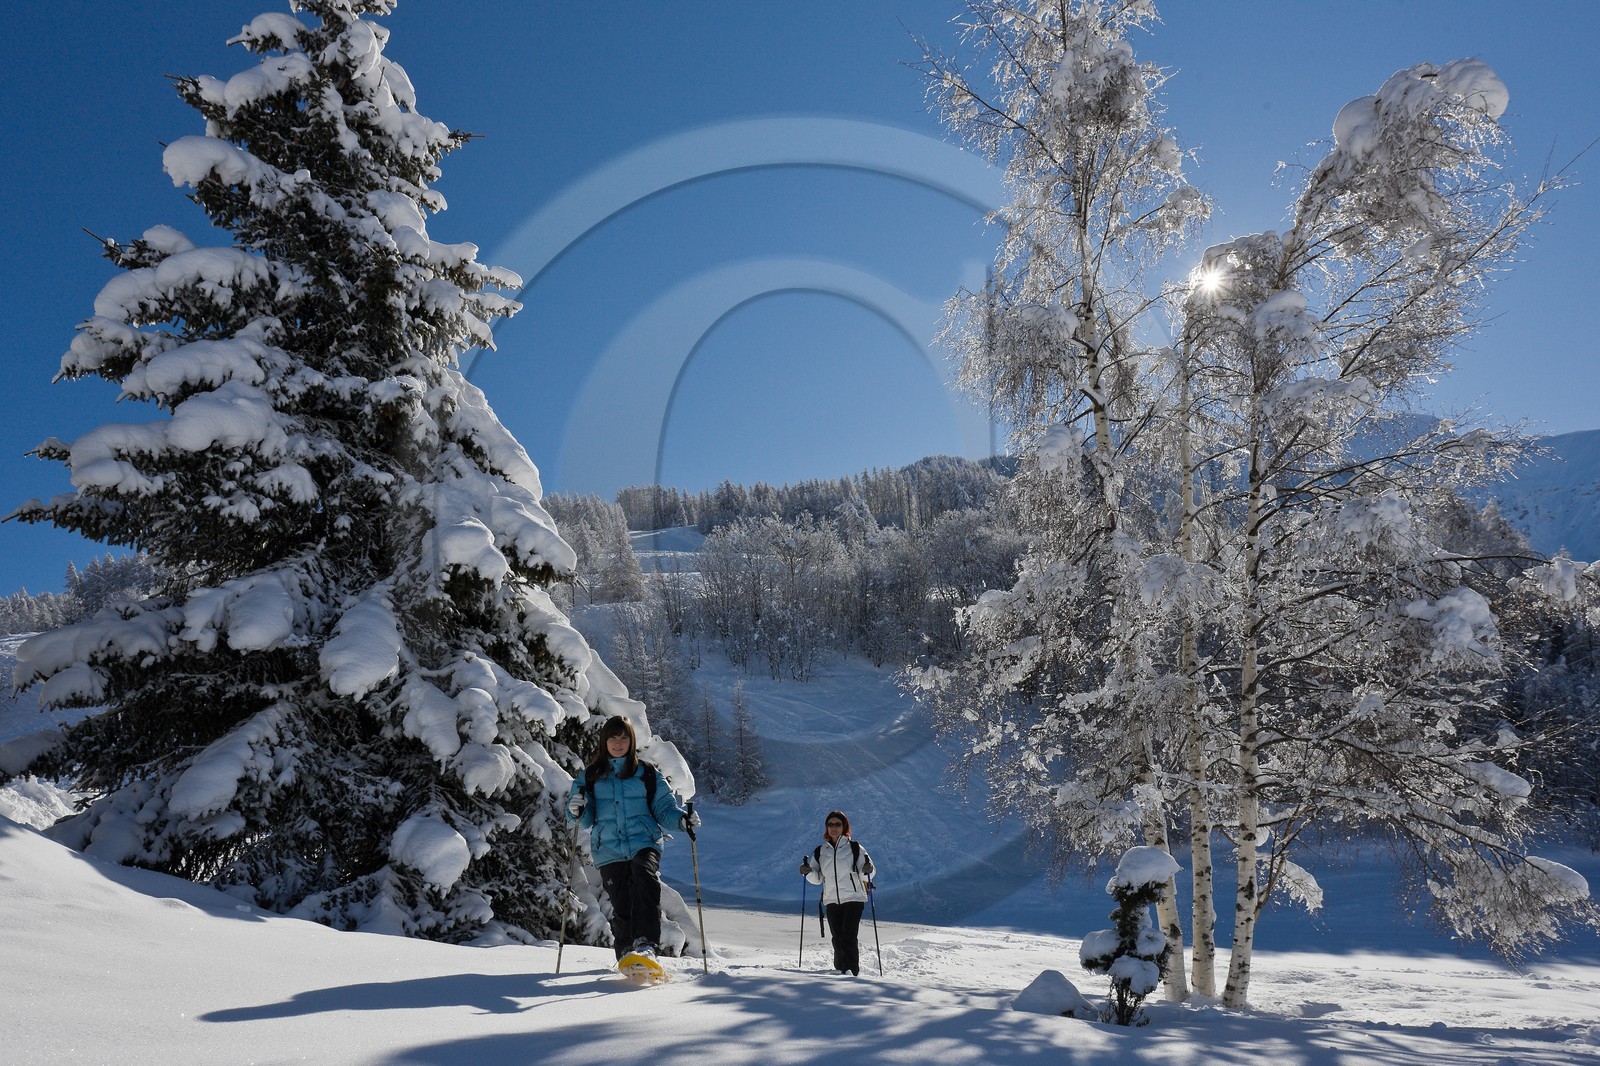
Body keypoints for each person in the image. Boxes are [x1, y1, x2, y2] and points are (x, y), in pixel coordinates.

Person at [566, 715, 698, 961]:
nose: (618, 743)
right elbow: (582, 820)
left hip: (643, 842)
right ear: (605, 741)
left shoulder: (647, 774)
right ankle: (626, 953)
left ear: (631, 741)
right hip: (608, 850)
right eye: (613, 738)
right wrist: (576, 810)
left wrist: (682, 821)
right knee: (622, 902)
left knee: (643, 876)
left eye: (624, 738)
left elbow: (664, 809)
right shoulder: (591, 777)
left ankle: (646, 945)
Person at [800, 809, 876, 976]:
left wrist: (869, 868)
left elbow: (868, 872)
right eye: (830, 824)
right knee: (837, 938)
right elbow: (817, 878)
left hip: (854, 897)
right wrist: (808, 872)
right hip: (832, 899)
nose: (833, 827)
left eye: (837, 824)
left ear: (844, 826)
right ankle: (840, 972)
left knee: (848, 936)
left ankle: (851, 973)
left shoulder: (855, 847)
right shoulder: (821, 851)